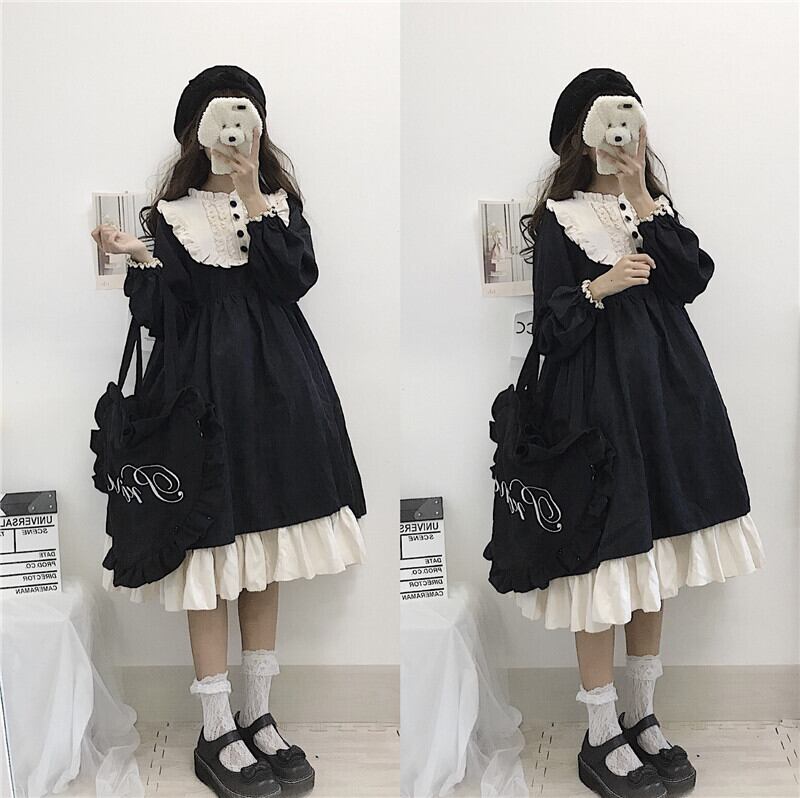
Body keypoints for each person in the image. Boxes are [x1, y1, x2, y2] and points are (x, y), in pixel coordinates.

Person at [484, 68, 765, 798]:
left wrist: (641, 194)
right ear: (580, 137)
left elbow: (691, 279)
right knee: (603, 567)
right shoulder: (558, 218)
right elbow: (550, 330)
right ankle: (600, 729)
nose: (619, 136)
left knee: (652, 561)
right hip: (593, 410)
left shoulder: (651, 207)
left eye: (630, 121)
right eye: (606, 123)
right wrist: (597, 287)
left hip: (665, 403)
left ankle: (642, 716)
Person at [91, 64, 367, 798]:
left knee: (262, 554)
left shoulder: (277, 204)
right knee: (210, 558)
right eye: (220, 121)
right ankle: (215, 727)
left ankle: (257, 714)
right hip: (198, 400)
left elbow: (292, 280)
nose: (234, 134)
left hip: (277, 396)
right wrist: (141, 257)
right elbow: (164, 315)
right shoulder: (169, 215)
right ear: (195, 132)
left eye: (246, 119)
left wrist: (251, 193)